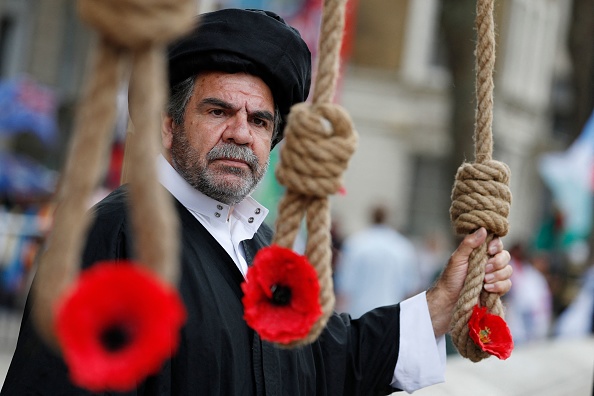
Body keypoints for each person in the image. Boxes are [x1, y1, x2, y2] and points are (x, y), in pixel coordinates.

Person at [1, 8, 512, 396]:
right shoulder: (114, 235)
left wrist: (443, 301)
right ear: (167, 123)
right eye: (218, 110)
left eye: (260, 120)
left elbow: (327, 361)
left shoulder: (263, 249)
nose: (241, 133)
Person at [335, 204, 420, 318]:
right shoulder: (402, 246)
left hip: (358, 313)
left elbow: (345, 284)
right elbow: (411, 288)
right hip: (391, 313)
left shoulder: (356, 242)